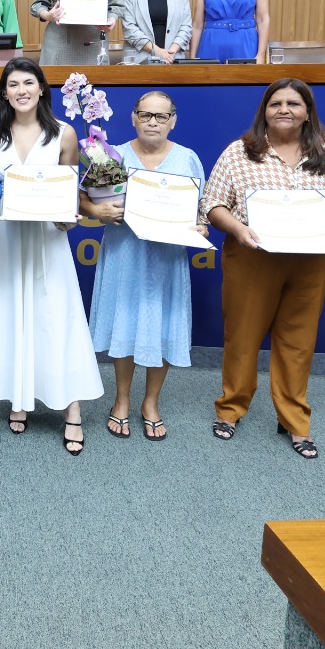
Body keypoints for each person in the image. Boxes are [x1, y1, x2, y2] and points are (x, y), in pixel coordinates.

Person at [200, 78, 325, 459]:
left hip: (309, 262)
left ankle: (294, 420)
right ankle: (231, 409)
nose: (284, 109)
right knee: (242, 339)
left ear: (308, 112)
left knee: (298, 343)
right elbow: (213, 201)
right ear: (264, 111)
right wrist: (237, 228)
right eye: (275, 103)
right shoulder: (240, 151)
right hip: (252, 259)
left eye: (293, 103)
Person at [0, 58, 103, 455]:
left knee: (56, 317)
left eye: (28, 83)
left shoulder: (64, 134)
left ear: (42, 88)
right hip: (7, 237)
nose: (21, 91)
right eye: (13, 84)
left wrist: (70, 220)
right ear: (4, 92)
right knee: (13, 314)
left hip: (49, 240)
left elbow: (69, 194)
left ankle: (72, 409)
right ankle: (19, 397)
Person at [83, 91, 205, 440]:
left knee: (163, 326)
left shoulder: (188, 159)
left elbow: (201, 208)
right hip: (126, 255)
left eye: (161, 116)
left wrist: (201, 225)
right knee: (125, 324)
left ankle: (151, 402)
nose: (153, 122)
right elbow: (86, 201)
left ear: (173, 121)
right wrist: (97, 211)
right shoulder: (111, 156)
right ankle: (121, 399)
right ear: (133, 118)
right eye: (146, 115)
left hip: (166, 260)